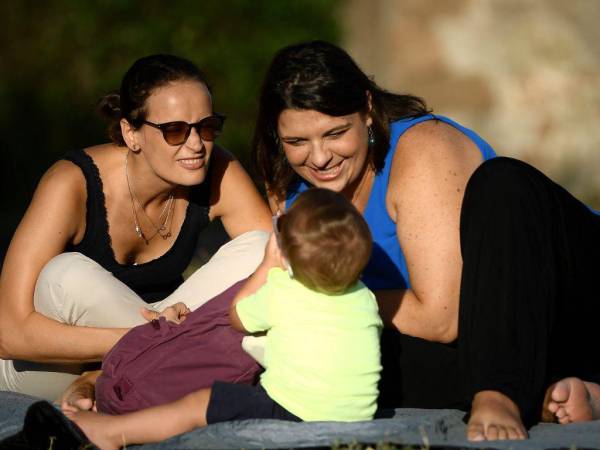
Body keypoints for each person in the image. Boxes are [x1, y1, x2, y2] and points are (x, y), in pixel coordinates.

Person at [250, 40, 600, 441]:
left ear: (366, 110)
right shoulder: (288, 187)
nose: (319, 157)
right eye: (296, 142)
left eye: (335, 133)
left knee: (504, 183)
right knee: (347, 360)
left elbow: (440, 316)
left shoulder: (422, 148)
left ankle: (500, 394)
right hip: (503, 343)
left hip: (576, 296)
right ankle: (552, 394)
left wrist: (318, 298)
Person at [0, 54, 272, 401]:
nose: (195, 144)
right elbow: (9, 333)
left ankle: (110, 382)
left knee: (261, 250)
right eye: (174, 130)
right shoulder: (71, 183)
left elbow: (279, 266)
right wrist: (146, 336)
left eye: (206, 127)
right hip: (51, 367)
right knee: (65, 275)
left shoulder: (217, 168)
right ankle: (172, 374)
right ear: (131, 133)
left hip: (154, 347)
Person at [60, 187, 382, 449]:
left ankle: (115, 432)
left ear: (286, 256)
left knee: (201, 404)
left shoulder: (282, 291)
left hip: (293, 413)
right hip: (357, 418)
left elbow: (238, 317)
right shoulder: (365, 298)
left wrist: (268, 264)